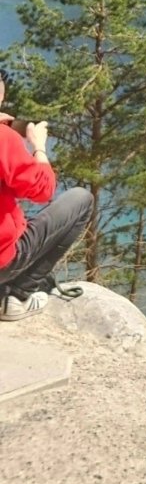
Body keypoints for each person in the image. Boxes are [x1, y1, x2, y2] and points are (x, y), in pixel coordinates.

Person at [0, 70, 92, 320]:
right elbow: (42, 191)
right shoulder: (3, 138)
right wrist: (38, 146)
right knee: (81, 200)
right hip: (3, 261)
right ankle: (18, 295)